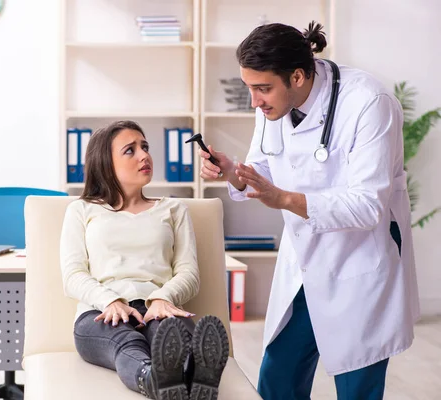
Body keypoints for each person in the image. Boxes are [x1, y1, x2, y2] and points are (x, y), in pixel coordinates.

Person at [199, 21, 420, 400]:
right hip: (303, 262)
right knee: (277, 382)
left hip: (359, 264)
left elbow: (367, 206)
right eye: (249, 88)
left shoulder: (369, 103)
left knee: (356, 390)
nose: (254, 101)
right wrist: (234, 172)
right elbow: (264, 167)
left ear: (297, 76)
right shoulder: (271, 103)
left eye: (262, 89)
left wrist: (284, 199)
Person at [60, 120, 230, 400]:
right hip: (100, 312)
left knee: (172, 332)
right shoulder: (81, 210)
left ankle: (197, 376)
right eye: (130, 150)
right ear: (106, 162)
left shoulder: (173, 208)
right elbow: (73, 274)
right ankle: (155, 380)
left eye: (145, 147)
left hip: (159, 306)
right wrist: (110, 301)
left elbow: (189, 272)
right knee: (126, 341)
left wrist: (162, 298)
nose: (144, 155)